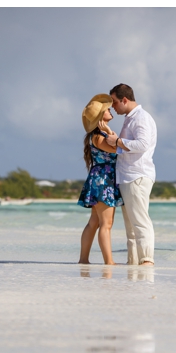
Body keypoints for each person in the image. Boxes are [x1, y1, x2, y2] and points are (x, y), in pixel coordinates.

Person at [102, 83, 157, 266]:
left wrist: (117, 141)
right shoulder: (130, 118)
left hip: (137, 175)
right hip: (127, 176)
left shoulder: (141, 118)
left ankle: (146, 260)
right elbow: (126, 146)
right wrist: (116, 140)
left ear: (125, 100)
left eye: (115, 102)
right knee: (131, 227)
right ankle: (133, 264)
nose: (113, 107)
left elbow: (143, 144)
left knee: (140, 221)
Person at [78, 94, 122, 265]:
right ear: (100, 117)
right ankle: (109, 261)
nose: (110, 110)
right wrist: (111, 132)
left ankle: (83, 259)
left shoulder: (95, 135)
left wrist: (109, 133)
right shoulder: (99, 136)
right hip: (104, 180)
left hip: (99, 178)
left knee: (94, 222)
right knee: (106, 223)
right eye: (106, 110)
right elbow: (117, 148)